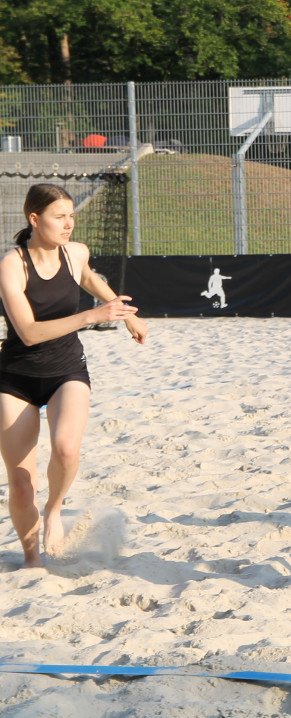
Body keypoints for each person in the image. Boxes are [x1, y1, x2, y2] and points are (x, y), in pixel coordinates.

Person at [0, 184, 148, 567]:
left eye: (71, 216)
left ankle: (53, 509)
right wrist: (92, 317)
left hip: (66, 369)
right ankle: (32, 559)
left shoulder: (75, 252)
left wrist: (126, 314)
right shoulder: (13, 264)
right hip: (16, 377)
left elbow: (88, 278)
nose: (69, 224)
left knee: (66, 448)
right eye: (59, 217)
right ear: (35, 219)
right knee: (19, 484)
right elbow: (29, 332)